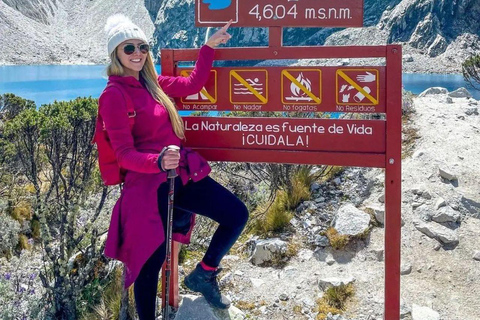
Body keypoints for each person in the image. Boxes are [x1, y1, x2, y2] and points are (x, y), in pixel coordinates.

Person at [100, 14, 248, 319]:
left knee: (236, 214)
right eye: (129, 48)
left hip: (180, 175)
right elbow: (124, 154)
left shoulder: (154, 84)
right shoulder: (113, 95)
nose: (138, 53)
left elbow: (193, 82)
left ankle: (204, 274)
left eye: (142, 46)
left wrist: (207, 47)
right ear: (116, 54)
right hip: (148, 188)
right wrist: (156, 161)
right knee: (149, 262)